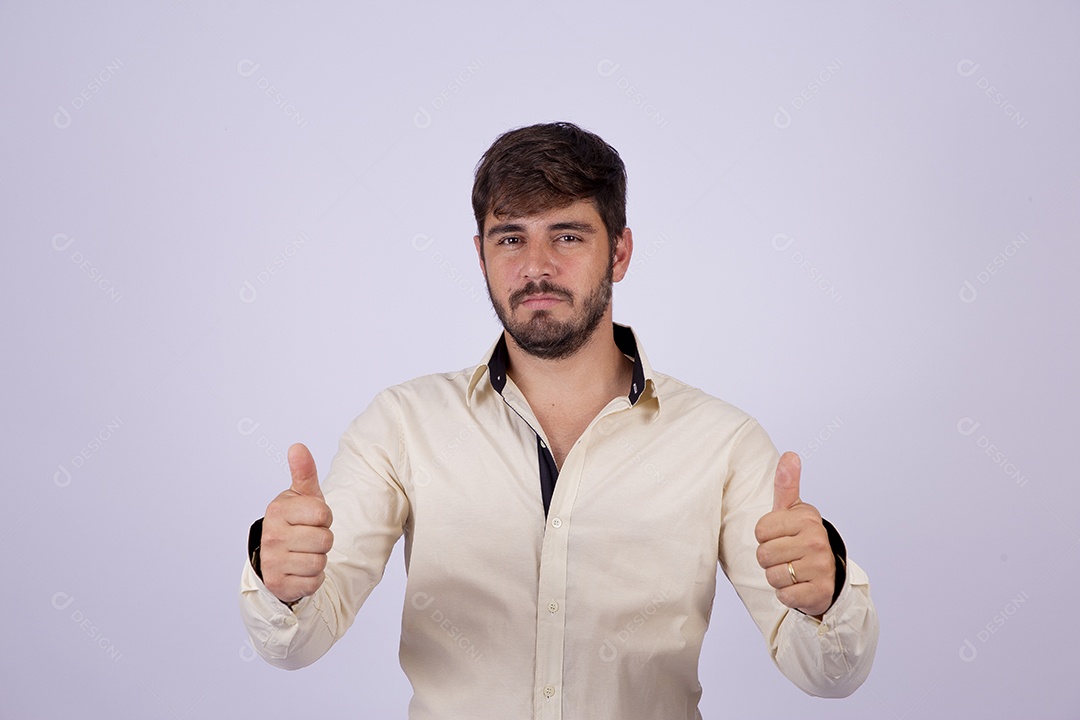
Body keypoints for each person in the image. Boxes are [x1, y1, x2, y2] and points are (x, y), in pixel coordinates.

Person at [239, 122, 878, 719]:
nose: (536, 266)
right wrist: (284, 588)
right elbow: (294, 645)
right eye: (510, 236)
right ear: (480, 253)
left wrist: (825, 600)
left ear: (620, 253)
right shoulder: (402, 424)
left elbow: (830, 676)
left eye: (567, 236)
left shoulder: (723, 442)